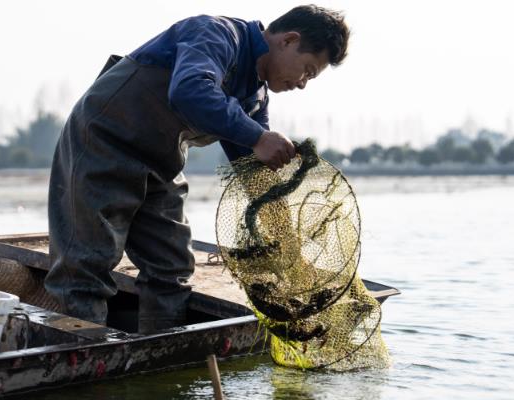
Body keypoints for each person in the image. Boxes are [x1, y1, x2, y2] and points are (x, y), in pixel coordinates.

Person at [44, 4, 350, 333]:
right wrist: (258, 137)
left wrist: (288, 246)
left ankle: (160, 360)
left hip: (161, 163)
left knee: (171, 268)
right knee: (85, 268)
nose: (303, 83)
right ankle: (83, 359)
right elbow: (190, 90)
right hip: (102, 143)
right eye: (307, 70)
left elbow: (254, 176)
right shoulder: (218, 34)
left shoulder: (256, 96)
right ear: (289, 40)